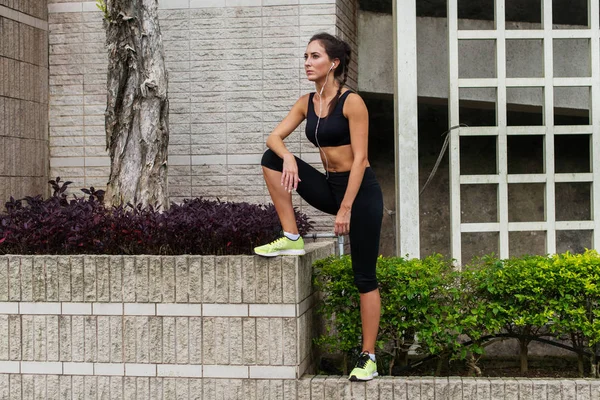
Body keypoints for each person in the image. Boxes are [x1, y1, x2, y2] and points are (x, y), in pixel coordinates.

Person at [253, 32, 384, 381]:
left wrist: (345, 209)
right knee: (271, 159)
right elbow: (273, 138)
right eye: (306, 57)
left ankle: (368, 357)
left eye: (315, 57)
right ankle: (291, 235)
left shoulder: (352, 102)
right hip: (329, 187)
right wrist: (289, 158)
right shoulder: (306, 102)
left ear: (334, 63)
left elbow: (360, 160)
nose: (308, 63)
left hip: (361, 194)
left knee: (364, 277)